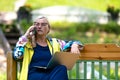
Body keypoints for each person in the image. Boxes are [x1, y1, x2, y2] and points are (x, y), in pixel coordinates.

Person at [13, 16, 83, 80]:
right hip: (34, 75)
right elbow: (17, 56)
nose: (39, 26)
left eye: (43, 24)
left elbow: (75, 42)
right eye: (37, 24)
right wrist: (25, 37)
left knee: (62, 68)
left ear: (48, 29)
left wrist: (74, 45)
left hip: (51, 75)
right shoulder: (27, 44)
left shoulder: (55, 43)